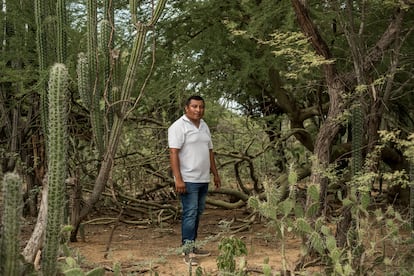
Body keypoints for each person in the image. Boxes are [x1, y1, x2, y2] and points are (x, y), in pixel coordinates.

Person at [168, 95, 221, 266]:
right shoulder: (178, 127)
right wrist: (178, 179)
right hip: (187, 179)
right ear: (186, 108)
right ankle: (187, 251)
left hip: (203, 178)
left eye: (201, 107)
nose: (198, 110)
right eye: (194, 106)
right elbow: (173, 153)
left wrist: (215, 173)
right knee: (190, 213)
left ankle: (191, 245)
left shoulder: (204, 126)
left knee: (197, 213)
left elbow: (210, 151)